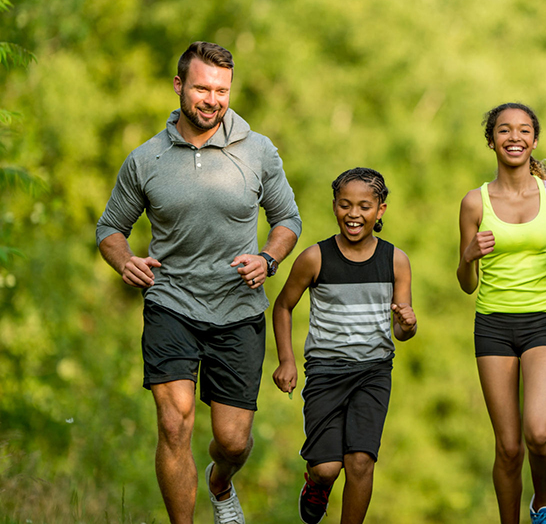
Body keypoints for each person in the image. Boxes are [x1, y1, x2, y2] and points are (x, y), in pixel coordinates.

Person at [96, 42, 301, 524]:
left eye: (222, 90)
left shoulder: (258, 150)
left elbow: (287, 218)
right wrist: (124, 261)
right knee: (174, 422)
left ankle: (220, 480)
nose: (212, 99)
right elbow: (110, 229)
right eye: (202, 88)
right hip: (171, 302)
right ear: (179, 85)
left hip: (238, 308)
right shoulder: (145, 159)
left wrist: (268, 259)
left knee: (232, 441)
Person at [272, 167, 417, 524]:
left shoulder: (395, 260)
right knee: (326, 468)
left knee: (360, 461)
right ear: (334, 206)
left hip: (374, 371)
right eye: (345, 205)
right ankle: (317, 485)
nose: (354, 214)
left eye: (364, 206)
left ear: (380, 210)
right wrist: (286, 361)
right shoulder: (315, 258)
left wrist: (407, 324)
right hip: (326, 371)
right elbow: (283, 306)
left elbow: (402, 332)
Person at [457, 103, 546, 524]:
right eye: (504, 130)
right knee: (508, 447)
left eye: (524, 130)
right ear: (492, 141)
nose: (514, 137)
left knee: (539, 433)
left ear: (535, 140)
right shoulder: (474, 203)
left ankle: (542, 501)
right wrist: (468, 257)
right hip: (492, 326)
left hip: (540, 320)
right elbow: (467, 283)